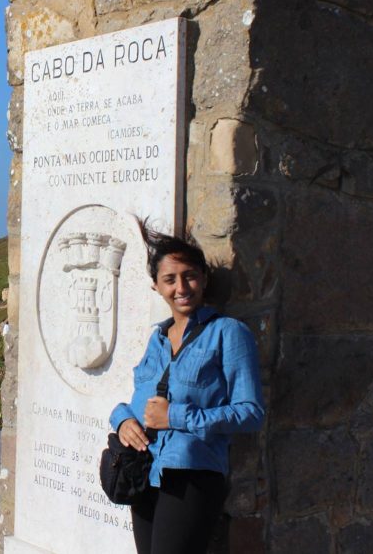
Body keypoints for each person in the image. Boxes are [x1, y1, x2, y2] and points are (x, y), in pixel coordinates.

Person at [109, 220, 264, 554]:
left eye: (190, 275)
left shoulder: (228, 333)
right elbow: (140, 401)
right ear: (156, 286)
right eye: (170, 279)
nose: (181, 287)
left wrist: (178, 417)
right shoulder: (158, 338)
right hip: (146, 472)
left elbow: (251, 413)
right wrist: (122, 420)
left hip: (192, 476)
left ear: (204, 278)